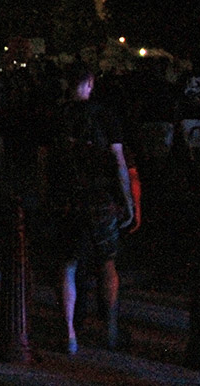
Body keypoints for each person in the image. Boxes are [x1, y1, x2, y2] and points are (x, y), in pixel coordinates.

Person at [46, 66, 134, 354]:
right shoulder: (105, 115)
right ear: (91, 84)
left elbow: (44, 160)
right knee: (107, 262)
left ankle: (69, 333)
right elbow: (118, 161)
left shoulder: (57, 116)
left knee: (68, 264)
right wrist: (127, 200)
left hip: (68, 197)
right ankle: (111, 329)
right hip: (101, 197)